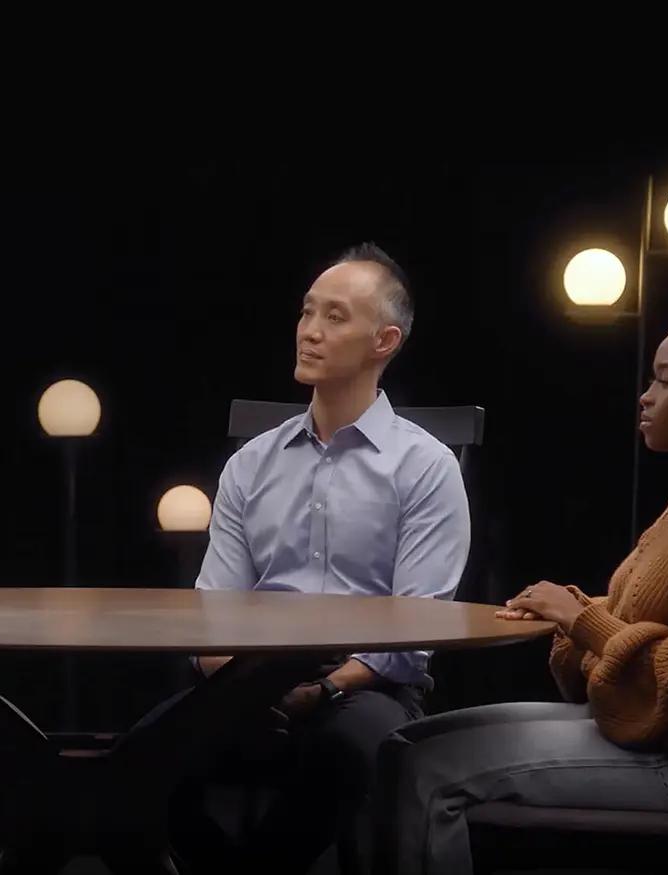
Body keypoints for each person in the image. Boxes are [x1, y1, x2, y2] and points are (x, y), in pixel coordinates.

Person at [375, 317, 668, 875]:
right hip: (640, 739)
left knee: (426, 771)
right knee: (399, 748)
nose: (646, 395)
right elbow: (632, 620)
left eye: (665, 380)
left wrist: (582, 621)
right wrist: (573, 612)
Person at [166, 243, 473, 874]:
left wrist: (325, 688)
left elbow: (415, 627)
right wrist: (240, 684)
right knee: (144, 756)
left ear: (384, 341)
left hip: (365, 681)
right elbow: (211, 612)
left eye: (335, 317)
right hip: (250, 672)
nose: (309, 330)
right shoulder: (251, 463)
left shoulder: (425, 466)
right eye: (307, 312)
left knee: (348, 751)